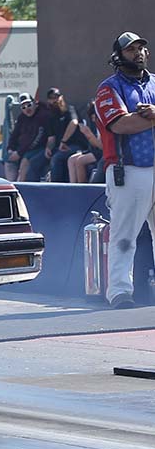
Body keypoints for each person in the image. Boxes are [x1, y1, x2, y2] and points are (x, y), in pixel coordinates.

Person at [93, 31, 155, 309]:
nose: (138, 53)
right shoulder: (108, 88)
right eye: (131, 49)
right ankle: (119, 292)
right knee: (124, 236)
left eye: (141, 48)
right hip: (127, 170)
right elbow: (121, 124)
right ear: (117, 56)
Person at [30, 87, 83, 182]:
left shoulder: (69, 109)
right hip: (58, 148)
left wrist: (64, 141)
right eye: (51, 98)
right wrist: (48, 148)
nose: (54, 100)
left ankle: (56, 187)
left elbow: (74, 123)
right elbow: (51, 137)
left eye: (56, 97)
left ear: (61, 97)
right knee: (34, 161)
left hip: (75, 146)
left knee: (56, 158)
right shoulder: (51, 116)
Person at [5, 93, 53, 182]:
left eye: (29, 105)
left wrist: (19, 153)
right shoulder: (22, 118)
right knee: (8, 160)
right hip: (24, 150)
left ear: (35, 103)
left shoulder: (43, 116)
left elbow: (37, 138)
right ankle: (12, 184)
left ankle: (21, 186)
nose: (27, 109)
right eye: (23, 107)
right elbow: (14, 135)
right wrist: (10, 149)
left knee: (25, 161)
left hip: (40, 148)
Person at [67, 104, 103, 183]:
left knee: (80, 161)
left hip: (102, 152)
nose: (93, 120)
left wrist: (89, 134)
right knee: (71, 160)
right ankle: (73, 186)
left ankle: (82, 186)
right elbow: (93, 144)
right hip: (94, 150)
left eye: (94, 118)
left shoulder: (103, 126)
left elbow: (101, 147)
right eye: (92, 118)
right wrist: (88, 135)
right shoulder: (93, 125)